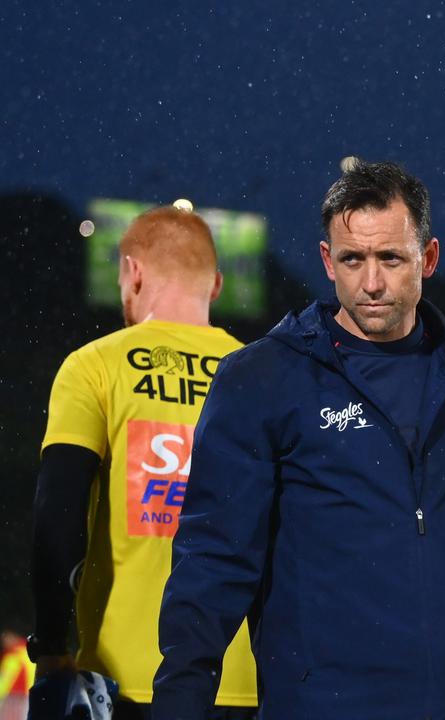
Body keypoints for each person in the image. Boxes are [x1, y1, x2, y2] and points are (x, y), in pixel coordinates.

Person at [151, 161, 445, 719]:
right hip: (320, 704)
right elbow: (214, 558)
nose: (371, 282)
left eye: (390, 258)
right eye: (352, 259)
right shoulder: (262, 377)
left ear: (428, 258)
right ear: (326, 261)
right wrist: (179, 703)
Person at [29, 205, 257, 719]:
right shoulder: (262, 376)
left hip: (123, 683)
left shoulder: (93, 367)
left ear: (132, 272)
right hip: (242, 681)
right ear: (216, 285)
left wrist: (49, 644)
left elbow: (57, 517)